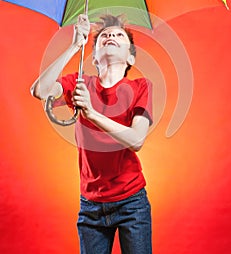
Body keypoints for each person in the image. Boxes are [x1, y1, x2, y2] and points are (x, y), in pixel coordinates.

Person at [31, 14, 153, 254]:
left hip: (132, 202)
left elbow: (136, 139)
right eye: (105, 36)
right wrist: (75, 45)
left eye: (119, 35)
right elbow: (40, 90)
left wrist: (91, 112)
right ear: (94, 57)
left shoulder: (141, 87)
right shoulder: (79, 84)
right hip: (90, 205)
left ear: (130, 57)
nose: (110, 36)